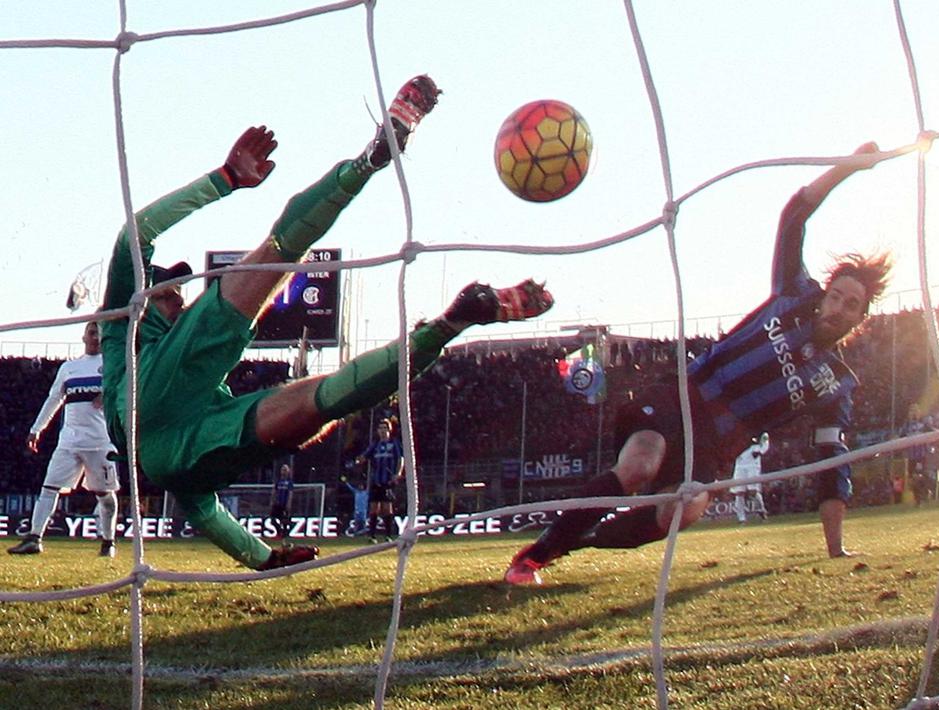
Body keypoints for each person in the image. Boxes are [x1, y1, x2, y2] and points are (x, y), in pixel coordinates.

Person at [99, 74, 554, 571]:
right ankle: (366, 165)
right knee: (276, 254)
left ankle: (451, 321)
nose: (178, 293)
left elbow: (205, 511)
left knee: (320, 401)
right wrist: (224, 180)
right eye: (171, 286)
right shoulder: (126, 324)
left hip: (185, 444)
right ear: (151, 289)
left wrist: (264, 559)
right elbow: (133, 236)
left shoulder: (180, 363)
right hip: (152, 410)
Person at [505, 142, 891, 584]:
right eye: (835, 295)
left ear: (861, 318)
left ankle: (572, 542)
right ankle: (537, 555)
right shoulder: (793, 296)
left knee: (681, 510)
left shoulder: (835, 383)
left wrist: (835, 547)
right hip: (683, 398)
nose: (838, 307)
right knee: (639, 467)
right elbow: (794, 216)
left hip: (716, 446)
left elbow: (831, 462)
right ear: (824, 295)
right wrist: (846, 168)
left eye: (851, 304)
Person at [8, 321, 120, 558]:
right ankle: (34, 538)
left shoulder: (112, 366)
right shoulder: (70, 368)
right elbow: (54, 399)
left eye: (100, 333)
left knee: (104, 495)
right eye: (92, 332)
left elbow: (129, 388)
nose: (96, 337)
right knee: (49, 488)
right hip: (69, 441)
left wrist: (108, 392)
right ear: (83, 337)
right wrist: (37, 429)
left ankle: (108, 541)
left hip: (100, 441)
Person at [353, 418, 404, 542]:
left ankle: (388, 535)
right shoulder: (375, 444)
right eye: (380, 428)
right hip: (376, 480)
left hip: (388, 480)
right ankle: (372, 536)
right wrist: (359, 459)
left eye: (385, 428)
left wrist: (397, 473)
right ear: (377, 431)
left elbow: (400, 459)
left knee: (387, 507)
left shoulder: (394, 443)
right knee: (373, 508)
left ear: (389, 430)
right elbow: (365, 456)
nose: (382, 431)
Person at [731, 433, 769, 524]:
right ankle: (742, 519)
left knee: (753, 490)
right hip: (739, 465)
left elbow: (764, 445)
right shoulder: (736, 431)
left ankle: (761, 510)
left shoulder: (761, 433)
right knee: (739, 492)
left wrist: (759, 450)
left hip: (752, 465)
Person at [269, 462, 294, 539]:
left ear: (288, 472)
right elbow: (274, 492)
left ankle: (285, 534)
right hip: (277, 503)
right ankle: (279, 531)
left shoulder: (289, 482)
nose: (284, 471)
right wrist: (272, 501)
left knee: (284, 520)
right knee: (273, 519)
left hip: (284, 503)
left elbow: (290, 493)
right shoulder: (278, 481)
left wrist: (288, 504)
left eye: (285, 470)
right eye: (283, 470)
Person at [340, 472, 370, 537]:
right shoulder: (356, 492)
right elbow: (350, 487)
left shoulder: (366, 493)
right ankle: (356, 534)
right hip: (357, 511)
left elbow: (369, 486)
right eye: (359, 486)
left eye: (361, 486)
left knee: (363, 523)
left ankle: (364, 534)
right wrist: (346, 482)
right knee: (356, 523)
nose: (360, 487)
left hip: (363, 511)